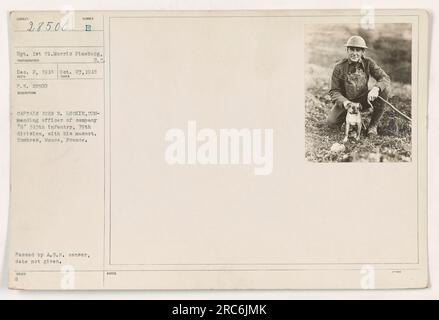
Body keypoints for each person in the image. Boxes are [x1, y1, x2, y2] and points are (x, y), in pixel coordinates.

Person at [326, 35, 390, 136]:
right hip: (346, 102)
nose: (354, 53)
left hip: (363, 100)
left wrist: (376, 89)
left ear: (363, 52)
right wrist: (345, 102)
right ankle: (350, 123)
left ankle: (372, 126)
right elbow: (334, 91)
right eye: (352, 49)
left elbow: (384, 78)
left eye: (358, 50)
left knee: (384, 90)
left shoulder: (368, 63)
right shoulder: (339, 67)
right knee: (331, 123)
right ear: (347, 50)